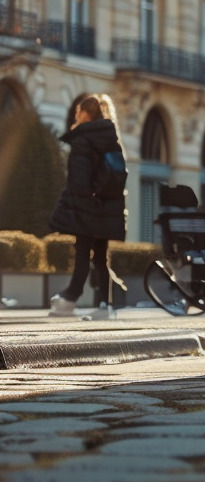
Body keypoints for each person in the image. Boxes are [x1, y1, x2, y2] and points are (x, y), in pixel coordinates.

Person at [48, 93, 127, 316]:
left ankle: (69, 300)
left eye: (78, 112)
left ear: (84, 114)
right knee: (101, 257)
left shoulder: (83, 140)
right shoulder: (111, 138)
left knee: (82, 253)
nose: (76, 116)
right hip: (107, 206)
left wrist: (81, 204)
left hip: (88, 207)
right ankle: (105, 304)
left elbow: (78, 181)